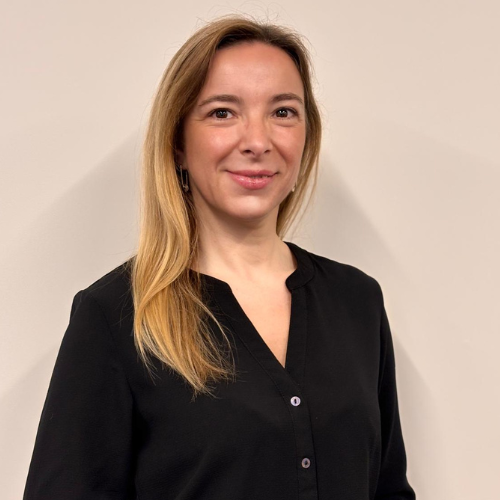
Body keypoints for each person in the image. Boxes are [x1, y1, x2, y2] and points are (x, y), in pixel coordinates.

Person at [23, 15, 416, 500]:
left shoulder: (357, 301)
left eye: (283, 112)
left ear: (306, 137)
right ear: (178, 144)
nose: (257, 141)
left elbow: (388, 488)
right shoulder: (117, 316)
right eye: (223, 113)